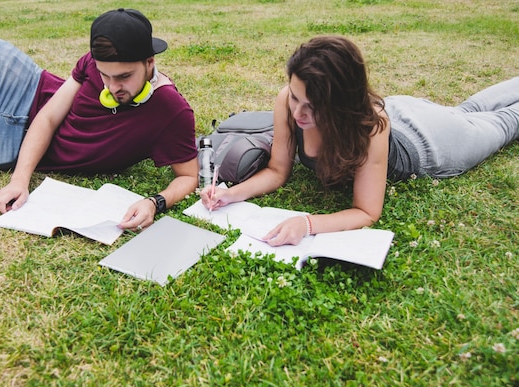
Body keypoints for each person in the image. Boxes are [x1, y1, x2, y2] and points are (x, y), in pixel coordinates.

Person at [0, 8, 198, 231]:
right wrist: (20, 181)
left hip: (7, 141)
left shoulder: (171, 112)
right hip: (25, 85)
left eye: (123, 77)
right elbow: (49, 116)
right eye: (104, 75)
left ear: (150, 62)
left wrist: (155, 201)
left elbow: (188, 176)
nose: (111, 87)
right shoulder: (94, 62)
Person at [201, 35, 519, 246]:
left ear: (342, 105)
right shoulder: (289, 100)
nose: (298, 111)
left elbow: (367, 212)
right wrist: (232, 194)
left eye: (313, 107)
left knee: (504, 123)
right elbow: (277, 171)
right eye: (296, 98)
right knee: (469, 109)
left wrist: (307, 224)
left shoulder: (369, 127)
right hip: (399, 109)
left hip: (428, 143)